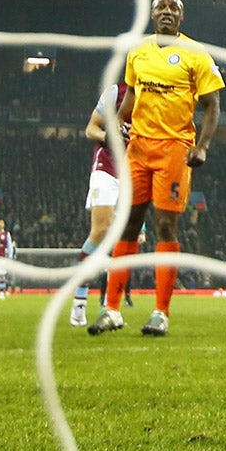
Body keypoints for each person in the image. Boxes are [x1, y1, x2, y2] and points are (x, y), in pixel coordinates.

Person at [91, 0, 223, 338]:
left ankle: (161, 312)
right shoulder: (138, 52)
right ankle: (112, 309)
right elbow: (133, 95)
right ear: (152, 15)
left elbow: (212, 105)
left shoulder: (196, 53)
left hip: (175, 150)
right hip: (139, 149)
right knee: (127, 226)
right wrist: (120, 124)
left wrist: (203, 146)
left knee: (166, 228)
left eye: (173, 8)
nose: (167, 12)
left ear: (182, 17)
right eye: (161, 7)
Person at [71, 81, 129, 329]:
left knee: (127, 238)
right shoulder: (117, 92)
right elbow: (90, 128)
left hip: (133, 171)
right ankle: (79, 299)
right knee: (101, 230)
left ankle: (111, 306)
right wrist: (109, 136)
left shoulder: (157, 94)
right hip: (106, 165)